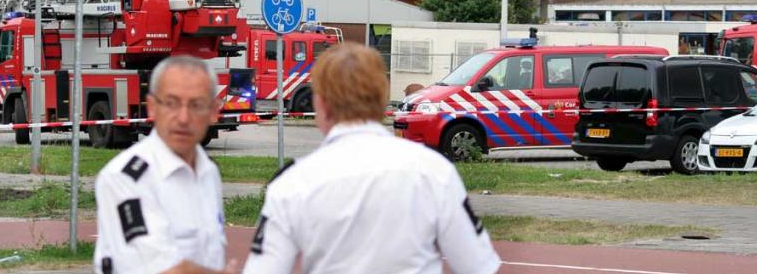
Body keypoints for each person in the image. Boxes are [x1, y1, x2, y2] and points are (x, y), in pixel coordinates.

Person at [242, 43, 501, 274]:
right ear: (382, 99)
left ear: (320, 104)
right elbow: (478, 265)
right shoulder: (434, 172)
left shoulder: (293, 183)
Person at [93, 56, 237, 274]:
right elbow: (161, 269)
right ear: (151, 107)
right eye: (171, 103)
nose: (183, 117)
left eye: (197, 105)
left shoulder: (208, 171)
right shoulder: (124, 178)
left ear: (214, 111)